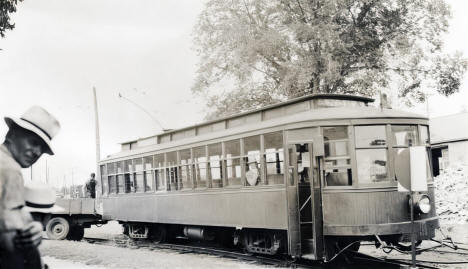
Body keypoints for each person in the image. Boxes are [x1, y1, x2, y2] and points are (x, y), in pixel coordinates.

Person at [0, 106, 60, 269]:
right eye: (33, 142)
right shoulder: (10, 170)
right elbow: (11, 240)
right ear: (12, 134)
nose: (37, 152)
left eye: (42, 148)